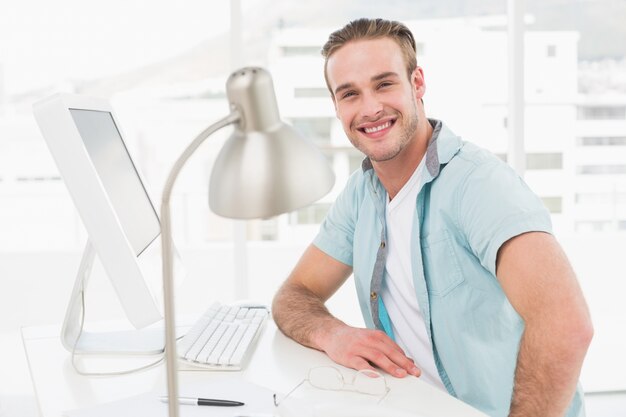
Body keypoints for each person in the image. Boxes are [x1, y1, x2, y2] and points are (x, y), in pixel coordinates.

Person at [271, 18, 593, 417]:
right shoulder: (360, 195)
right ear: (336, 107)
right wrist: (333, 333)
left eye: (384, 84)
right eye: (350, 93)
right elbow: (294, 294)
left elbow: (566, 326)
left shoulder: (479, 185)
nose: (370, 108)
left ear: (417, 84)